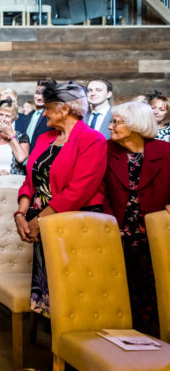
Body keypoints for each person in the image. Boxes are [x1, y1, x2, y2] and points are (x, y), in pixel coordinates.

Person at [13, 82, 107, 318]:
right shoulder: (45, 138)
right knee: (48, 292)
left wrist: (39, 222)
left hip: (72, 227)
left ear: (64, 109)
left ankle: (69, 343)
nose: (43, 113)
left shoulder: (92, 140)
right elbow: (30, 179)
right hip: (41, 225)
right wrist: (21, 215)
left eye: (48, 108)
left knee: (71, 295)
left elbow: (79, 190)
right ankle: (49, 342)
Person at [100, 101, 170, 337]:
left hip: (154, 235)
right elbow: (101, 191)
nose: (110, 127)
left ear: (136, 125)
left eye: (116, 122)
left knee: (153, 291)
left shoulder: (165, 151)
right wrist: (110, 223)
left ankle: (153, 342)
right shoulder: (107, 150)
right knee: (122, 291)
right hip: (118, 233)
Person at [21, 78, 58, 150]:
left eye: (45, 94)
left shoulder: (52, 116)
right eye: (38, 93)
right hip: (25, 159)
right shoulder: (30, 115)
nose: (40, 97)